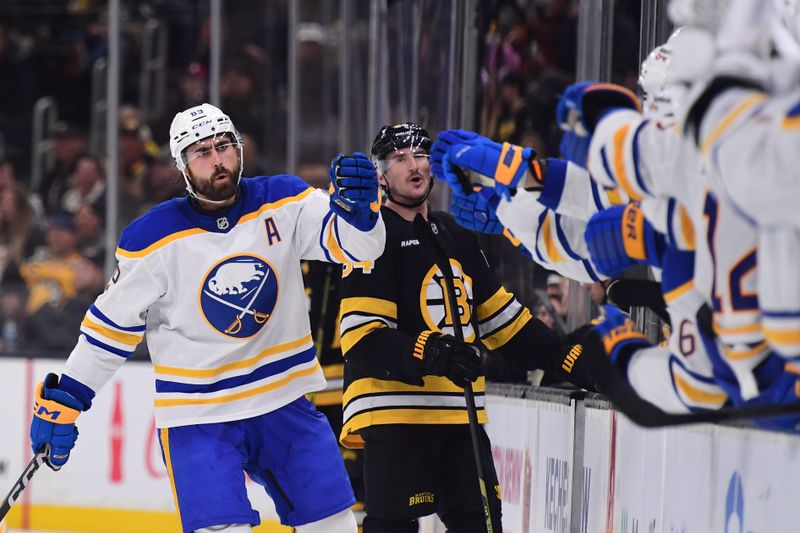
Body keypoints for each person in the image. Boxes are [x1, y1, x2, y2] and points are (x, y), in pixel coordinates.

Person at [28, 103, 386, 533]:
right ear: (182, 166)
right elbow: (107, 333)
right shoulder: (151, 239)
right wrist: (67, 398)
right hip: (198, 417)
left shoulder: (284, 199)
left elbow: (360, 249)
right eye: (202, 152)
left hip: (284, 402)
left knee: (336, 526)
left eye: (224, 146)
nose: (217, 160)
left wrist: (362, 213)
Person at [338, 123, 587, 532]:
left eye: (420, 155)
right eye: (399, 159)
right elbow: (362, 339)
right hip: (394, 414)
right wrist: (429, 351)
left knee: (481, 523)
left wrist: (566, 358)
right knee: (392, 525)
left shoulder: (455, 233)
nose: (414, 165)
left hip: (460, 416)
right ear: (380, 176)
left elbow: (504, 323)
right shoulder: (370, 237)